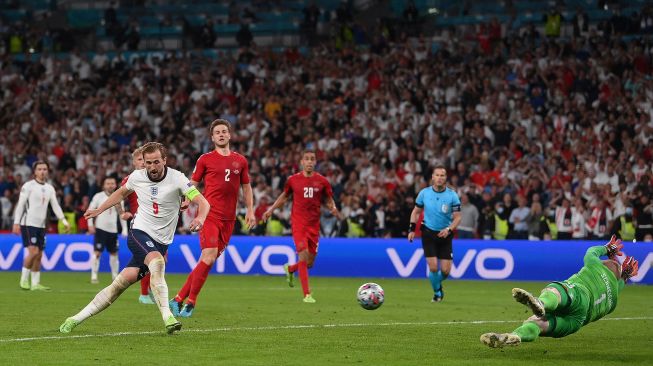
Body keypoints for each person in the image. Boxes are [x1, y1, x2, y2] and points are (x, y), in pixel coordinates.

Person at [59, 142, 210, 335]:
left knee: (118, 285)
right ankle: (168, 317)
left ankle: (74, 318)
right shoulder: (137, 177)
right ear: (144, 163)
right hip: (139, 232)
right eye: (148, 163)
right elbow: (121, 193)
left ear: (165, 160)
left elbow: (203, 202)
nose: (153, 167)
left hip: (161, 241)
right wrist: (100, 209)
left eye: (156, 162)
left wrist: (200, 217)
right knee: (157, 262)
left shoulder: (177, 178)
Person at [480, 235, 639, 348]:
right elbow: (619, 283)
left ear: (604, 264)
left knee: (556, 290)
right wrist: (625, 276)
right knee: (538, 325)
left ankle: (542, 302)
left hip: (581, 295)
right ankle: (517, 336)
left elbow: (591, 251)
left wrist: (607, 248)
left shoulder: (594, 265)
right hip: (577, 321)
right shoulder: (613, 301)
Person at [170, 119, 256, 318]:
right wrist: (187, 200)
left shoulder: (240, 161)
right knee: (208, 257)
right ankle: (191, 302)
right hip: (209, 214)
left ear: (230, 135)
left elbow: (246, 187)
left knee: (205, 261)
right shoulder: (205, 159)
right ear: (212, 137)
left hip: (229, 219)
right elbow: (192, 183)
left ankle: (177, 299)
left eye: (224, 131)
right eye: (217, 132)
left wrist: (250, 210)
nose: (221, 135)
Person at [262, 149, 340, 303]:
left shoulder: (322, 181)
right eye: (307, 159)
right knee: (303, 256)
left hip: (314, 226)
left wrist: (333, 207)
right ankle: (307, 295)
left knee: (309, 263)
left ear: (315, 162)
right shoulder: (293, 180)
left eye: (312, 159)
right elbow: (284, 196)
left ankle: (290, 269)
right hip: (298, 224)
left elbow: (329, 199)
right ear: (302, 162)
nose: (310, 161)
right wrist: (271, 210)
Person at [13, 161, 70, 291]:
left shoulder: (50, 188)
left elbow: (55, 205)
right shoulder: (28, 186)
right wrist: (16, 222)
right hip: (28, 223)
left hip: (41, 226)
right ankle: (23, 280)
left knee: (39, 255)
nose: (42, 171)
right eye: (39, 169)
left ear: (47, 171)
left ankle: (35, 283)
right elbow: (21, 205)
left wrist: (64, 221)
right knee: (33, 252)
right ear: (35, 171)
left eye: (44, 169)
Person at [408, 165, 462, 302]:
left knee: (445, 271)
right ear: (432, 177)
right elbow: (416, 212)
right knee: (433, 267)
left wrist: (449, 229)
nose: (439, 178)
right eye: (436, 175)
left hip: (445, 234)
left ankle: (437, 283)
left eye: (442, 175)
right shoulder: (424, 193)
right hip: (428, 232)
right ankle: (437, 292)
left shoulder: (452, 195)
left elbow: (458, 218)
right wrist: (411, 229)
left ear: (445, 178)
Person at [119, 148, 155, 304]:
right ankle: (144, 294)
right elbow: (119, 197)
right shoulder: (130, 179)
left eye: (144, 159)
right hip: (140, 226)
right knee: (150, 259)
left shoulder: (153, 178)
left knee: (157, 260)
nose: (142, 162)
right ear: (134, 162)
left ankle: (151, 290)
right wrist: (122, 212)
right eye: (139, 159)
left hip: (155, 224)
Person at [88, 176, 125, 284]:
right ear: (104, 185)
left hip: (113, 230)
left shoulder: (119, 197)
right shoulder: (98, 196)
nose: (110, 185)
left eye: (112, 183)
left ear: (115, 185)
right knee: (97, 253)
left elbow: (121, 214)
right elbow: (90, 209)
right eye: (108, 183)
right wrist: (90, 224)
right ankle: (94, 276)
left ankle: (115, 277)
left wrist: (125, 230)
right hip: (100, 229)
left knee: (114, 254)